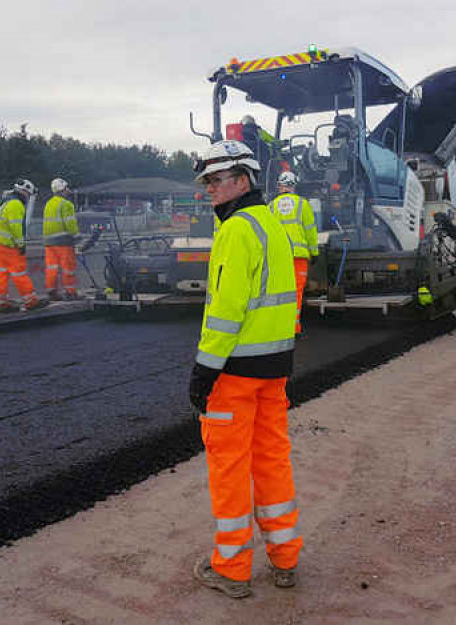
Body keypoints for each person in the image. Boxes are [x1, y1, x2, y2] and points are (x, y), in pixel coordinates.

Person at [188, 140, 302, 598]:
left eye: (216, 180)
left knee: (230, 468)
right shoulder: (273, 225)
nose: (210, 190)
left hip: (234, 375)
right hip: (274, 370)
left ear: (242, 179)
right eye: (207, 183)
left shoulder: (235, 231)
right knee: (273, 461)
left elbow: (225, 311)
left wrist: (204, 370)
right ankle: (285, 557)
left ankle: (232, 569)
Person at [268, 171, 319, 335]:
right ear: (294, 186)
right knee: (296, 292)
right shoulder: (302, 204)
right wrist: (314, 252)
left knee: (278, 293)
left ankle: (277, 327)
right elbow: (310, 230)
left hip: (278, 257)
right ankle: (294, 328)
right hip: (298, 256)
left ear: (279, 186)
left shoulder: (271, 206)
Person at [0, 178, 48, 313]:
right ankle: (31, 301)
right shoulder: (16, 204)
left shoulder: (5, 202)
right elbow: (16, 227)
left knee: (1, 273)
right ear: (24, 192)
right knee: (19, 272)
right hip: (9, 245)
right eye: (28, 195)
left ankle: (1, 303)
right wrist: (21, 244)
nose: (28, 198)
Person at [42, 178, 81, 300]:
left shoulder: (49, 203)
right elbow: (70, 223)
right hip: (64, 242)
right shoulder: (66, 204)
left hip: (49, 243)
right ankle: (70, 292)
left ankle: (51, 292)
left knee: (51, 267)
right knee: (68, 267)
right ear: (63, 189)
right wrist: (77, 238)